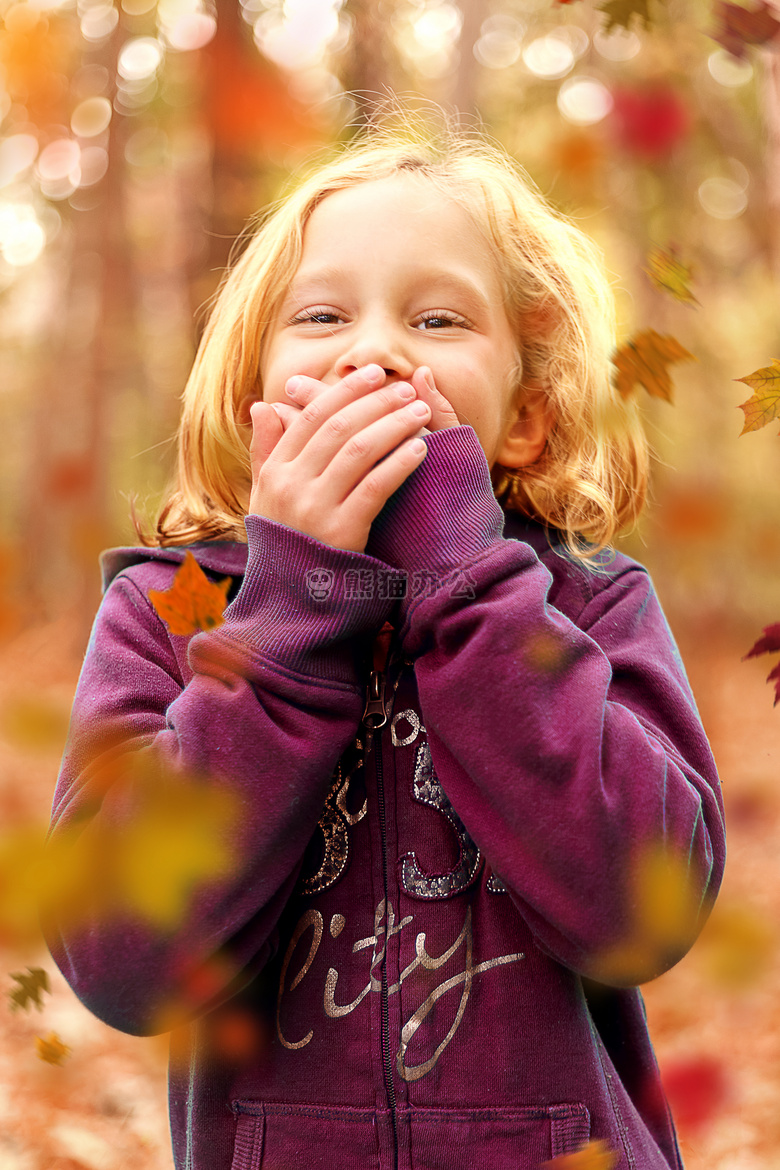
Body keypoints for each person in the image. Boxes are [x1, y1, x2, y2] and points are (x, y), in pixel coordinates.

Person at [44, 121, 724, 1170]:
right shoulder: (173, 613)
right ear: (255, 399)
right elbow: (120, 963)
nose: (373, 350)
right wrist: (286, 617)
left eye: (439, 316)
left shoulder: (589, 602)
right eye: (322, 315)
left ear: (526, 419)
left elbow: (646, 910)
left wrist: (464, 578)